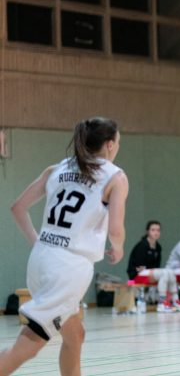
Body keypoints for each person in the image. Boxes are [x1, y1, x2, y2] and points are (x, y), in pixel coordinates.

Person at [0, 117, 129, 376]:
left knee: (75, 335)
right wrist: (118, 247)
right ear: (109, 145)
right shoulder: (115, 176)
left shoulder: (57, 168)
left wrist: (40, 243)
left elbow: (18, 208)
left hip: (40, 260)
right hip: (69, 270)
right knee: (29, 345)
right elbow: (115, 230)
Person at [126, 220, 180, 313]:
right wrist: (150, 270)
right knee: (164, 273)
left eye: (158, 230)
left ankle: (175, 301)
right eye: (153, 230)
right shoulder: (142, 245)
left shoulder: (158, 247)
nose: (156, 232)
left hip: (150, 273)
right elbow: (139, 267)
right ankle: (162, 303)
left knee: (170, 272)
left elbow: (156, 266)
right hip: (136, 275)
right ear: (148, 231)